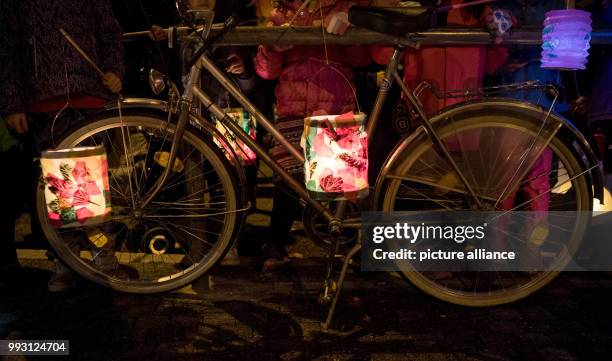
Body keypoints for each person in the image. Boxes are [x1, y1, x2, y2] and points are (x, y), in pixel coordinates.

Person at [0, 0, 125, 292]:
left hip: (90, 94)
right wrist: (12, 104)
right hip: (42, 99)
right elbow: (6, 50)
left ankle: (100, 253)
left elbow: (110, 32)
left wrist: (114, 70)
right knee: (60, 186)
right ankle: (66, 258)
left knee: (91, 182)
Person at [254, 0, 371, 272]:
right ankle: (277, 240)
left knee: (343, 186)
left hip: (337, 103)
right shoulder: (284, 10)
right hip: (292, 106)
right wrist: (274, 45)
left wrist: (350, 32)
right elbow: (266, 71)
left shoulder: (346, 6)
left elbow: (363, 58)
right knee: (286, 179)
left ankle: (350, 243)